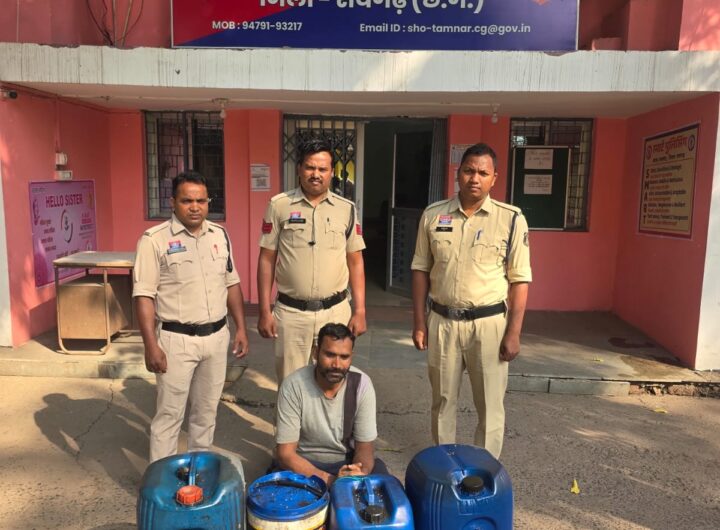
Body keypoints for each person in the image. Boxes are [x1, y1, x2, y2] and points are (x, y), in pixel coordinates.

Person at [411, 143, 532, 459]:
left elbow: (519, 280)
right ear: (458, 173)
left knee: (490, 405)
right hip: (442, 322)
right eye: (468, 171)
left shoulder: (511, 219)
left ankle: (485, 468)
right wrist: (420, 322)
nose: (474, 178)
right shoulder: (433, 215)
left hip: (489, 325)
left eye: (482, 172)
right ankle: (444, 465)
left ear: (494, 178)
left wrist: (514, 332)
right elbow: (421, 269)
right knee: (442, 402)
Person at [133, 171, 249, 463]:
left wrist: (241, 328)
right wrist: (150, 345)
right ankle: (161, 478)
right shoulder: (154, 240)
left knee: (206, 412)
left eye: (201, 201)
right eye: (187, 201)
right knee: (169, 415)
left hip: (217, 338)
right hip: (176, 341)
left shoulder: (220, 235)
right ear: (173, 202)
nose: (195, 207)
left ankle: (198, 471)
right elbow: (144, 296)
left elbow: (232, 283)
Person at [257, 138, 367, 384]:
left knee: (333, 383)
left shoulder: (346, 209)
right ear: (299, 169)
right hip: (291, 314)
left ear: (332, 172)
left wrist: (359, 310)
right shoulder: (279, 205)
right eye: (309, 167)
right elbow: (266, 259)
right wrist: (264, 310)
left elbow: (356, 261)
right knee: (290, 384)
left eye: (322, 169)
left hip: (335, 312)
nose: (316, 174)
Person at [274, 322, 388, 486]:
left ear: (351, 356)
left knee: (386, 490)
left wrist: (356, 474)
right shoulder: (293, 385)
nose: (336, 365)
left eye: (344, 357)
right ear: (316, 352)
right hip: (303, 466)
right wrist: (330, 480)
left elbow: (365, 448)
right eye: (329, 355)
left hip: (347, 463)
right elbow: (285, 454)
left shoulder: (362, 385)